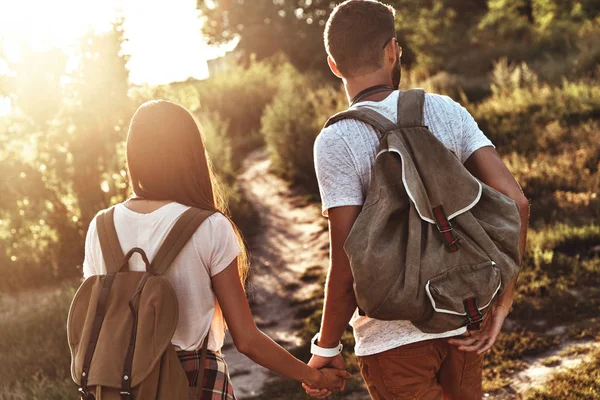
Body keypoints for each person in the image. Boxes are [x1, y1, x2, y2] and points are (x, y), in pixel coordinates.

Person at [304, 1, 530, 399]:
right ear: (392, 50)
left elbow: (346, 262)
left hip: (392, 343)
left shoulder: (336, 140)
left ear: (333, 65)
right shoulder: (446, 111)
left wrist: (326, 347)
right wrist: (502, 302)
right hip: (463, 318)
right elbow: (517, 202)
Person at [82, 100, 350, 399]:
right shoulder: (208, 226)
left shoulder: (101, 227)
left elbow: (96, 324)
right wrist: (313, 377)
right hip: (196, 381)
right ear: (191, 154)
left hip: (120, 386)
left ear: (134, 155)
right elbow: (247, 340)